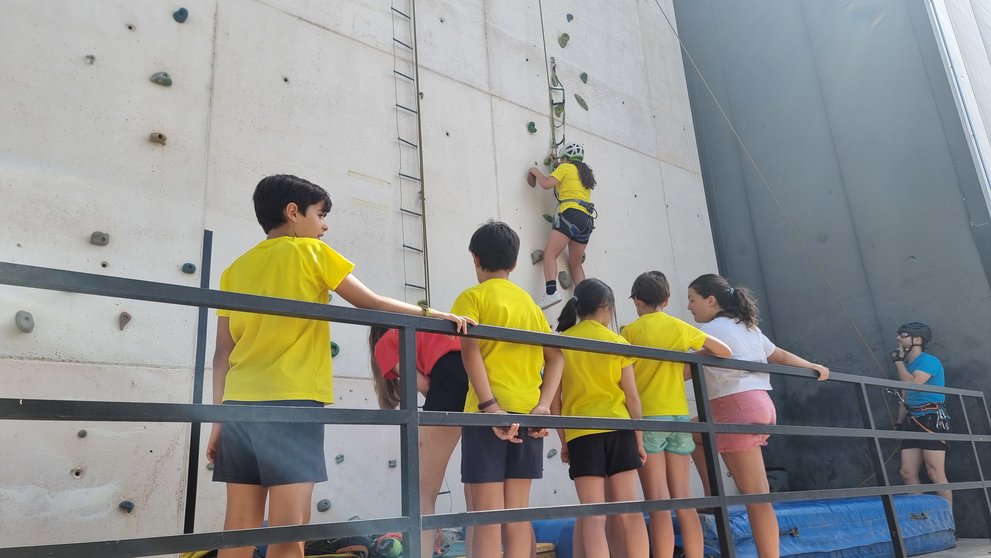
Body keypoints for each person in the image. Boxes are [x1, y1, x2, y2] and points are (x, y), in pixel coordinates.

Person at [208, 174, 470, 558]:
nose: (324, 225)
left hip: (237, 409)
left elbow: (221, 355)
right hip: (292, 405)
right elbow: (373, 303)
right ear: (293, 212)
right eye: (320, 214)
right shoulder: (311, 253)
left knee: (238, 531)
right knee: (288, 530)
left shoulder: (234, 270)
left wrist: (217, 420)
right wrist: (432, 313)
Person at [686, 273, 829, 558]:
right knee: (692, 433)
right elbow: (781, 355)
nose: (689, 307)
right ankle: (713, 495)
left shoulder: (713, 331)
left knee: (756, 495)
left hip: (734, 405)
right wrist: (812, 366)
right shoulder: (748, 328)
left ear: (710, 300)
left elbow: (687, 369)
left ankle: (767, 553)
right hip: (759, 403)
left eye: (692, 300)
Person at [450, 220, 565, 558]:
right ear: (514, 263)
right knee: (516, 513)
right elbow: (556, 358)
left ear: (475, 259)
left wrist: (489, 406)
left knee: (487, 516)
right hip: (529, 414)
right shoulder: (531, 306)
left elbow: (470, 353)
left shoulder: (472, 297)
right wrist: (544, 405)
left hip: (488, 415)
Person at [621, 271, 732, 558]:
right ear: (667, 300)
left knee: (658, 502)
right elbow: (724, 351)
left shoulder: (629, 332)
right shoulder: (680, 327)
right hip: (679, 417)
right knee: (684, 500)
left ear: (637, 301)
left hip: (648, 418)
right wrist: (689, 361)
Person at [553, 278, 650, 558]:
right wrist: (639, 441)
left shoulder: (561, 343)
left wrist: (565, 440)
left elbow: (556, 401)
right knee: (629, 513)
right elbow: (632, 398)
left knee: (594, 516)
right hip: (620, 430)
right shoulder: (617, 341)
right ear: (606, 306)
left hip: (581, 434)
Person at [369, 326, 471, 557]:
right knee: (477, 490)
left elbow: (426, 386)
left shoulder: (385, 341)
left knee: (421, 495)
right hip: (481, 374)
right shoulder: (428, 329)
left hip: (450, 377)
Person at [527, 142, 597, 309]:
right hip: (587, 219)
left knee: (550, 253)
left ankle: (551, 293)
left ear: (565, 158)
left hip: (570, 215)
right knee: (575, 263)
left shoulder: (565, 168)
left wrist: (534, 170)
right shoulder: (585, 174)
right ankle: (586, 304)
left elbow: (545, 184)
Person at [892, 321, 951, 503]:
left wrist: (898, 361)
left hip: (931, 417)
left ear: (917, 339)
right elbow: (905, 395)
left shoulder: (929, 361)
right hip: (912, 419)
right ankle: (922, 515)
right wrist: (899, 424)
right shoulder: (907, 367)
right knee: (907, 472)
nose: (898, 338)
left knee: (934, 471)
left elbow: (913, 383)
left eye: (903, 335)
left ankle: (948, 522)